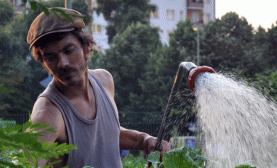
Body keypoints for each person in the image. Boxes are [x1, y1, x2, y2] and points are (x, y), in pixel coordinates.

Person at [27, 7, 170, 168]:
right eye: (51, 57)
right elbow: (23, 163)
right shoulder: (47, 114)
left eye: (69, 50)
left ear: (87, 46)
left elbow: (104, 134)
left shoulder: (104, 81)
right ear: (43, 62)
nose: (63, 63)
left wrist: (143, 140)